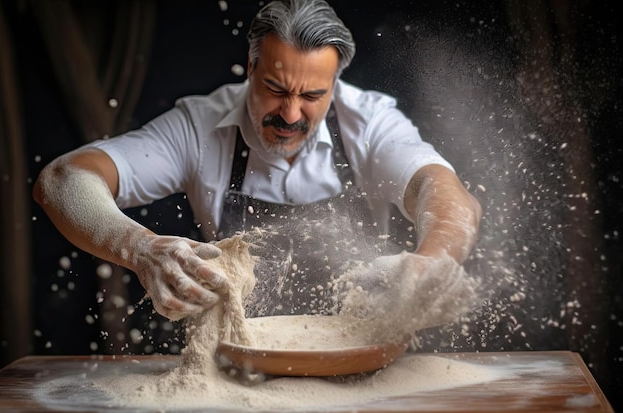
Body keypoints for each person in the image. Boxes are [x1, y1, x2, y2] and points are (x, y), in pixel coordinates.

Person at [33, 0, 482, 322]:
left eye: (311, 96)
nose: (290, 115)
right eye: (276, 89)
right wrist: (141, 248)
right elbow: (62, 180)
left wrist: (432, 263)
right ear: (250, 69)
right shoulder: (197, 127)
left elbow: (442, 192)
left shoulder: (370, 121)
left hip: (360, 349)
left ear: (335, 83)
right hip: (235, 357)